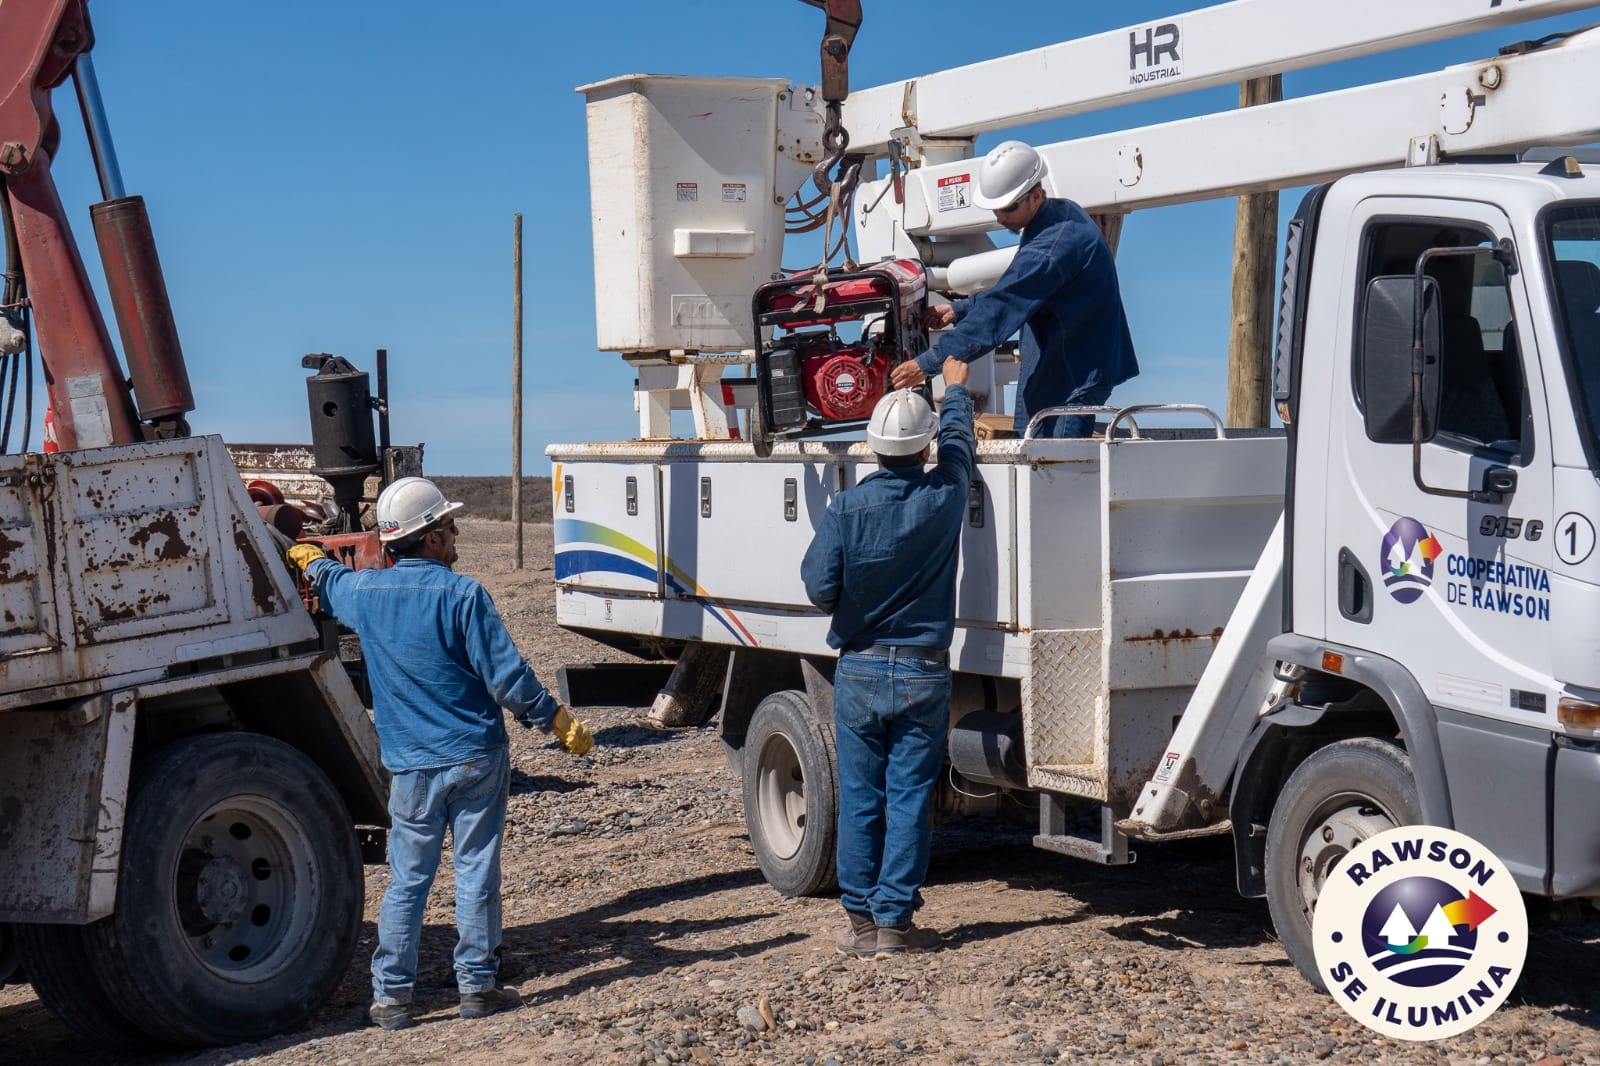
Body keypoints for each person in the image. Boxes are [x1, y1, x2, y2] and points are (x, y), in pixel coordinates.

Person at [284, 477, 594, 1031]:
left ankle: (392, 999)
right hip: (475, 757)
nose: (456, 535)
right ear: (428, 539)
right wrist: (554, 719)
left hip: (411, 767)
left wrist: (309, 557)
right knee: (475, 869)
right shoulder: (463, 595)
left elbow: (331, 583)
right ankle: (477, 986)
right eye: (448, 527)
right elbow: (506, 678)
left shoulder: (368, 596)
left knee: (407, 880)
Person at [800, 357, 975, 958]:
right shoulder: (946, 495)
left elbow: (820, 588)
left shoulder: (847, 510)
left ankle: (860, 924)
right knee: (907, 796)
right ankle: (895, 924)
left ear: (872, 448)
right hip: (924, 669)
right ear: (923, 449)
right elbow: (958, 448)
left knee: (862, 793)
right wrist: (954, 392)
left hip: (862, 667)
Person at [890, 139, 1139, 439]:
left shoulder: (1051, 247)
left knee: (1054, 471)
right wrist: (958, 309)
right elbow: (1022, 289)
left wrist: (927, 363)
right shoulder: (1059, 216)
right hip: (1063, 366)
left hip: (1074, 378)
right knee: (1037, 452)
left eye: (1007, 208)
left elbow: (1001, 308)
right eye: (994, 207)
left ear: (1036, 196)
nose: (999, 217)